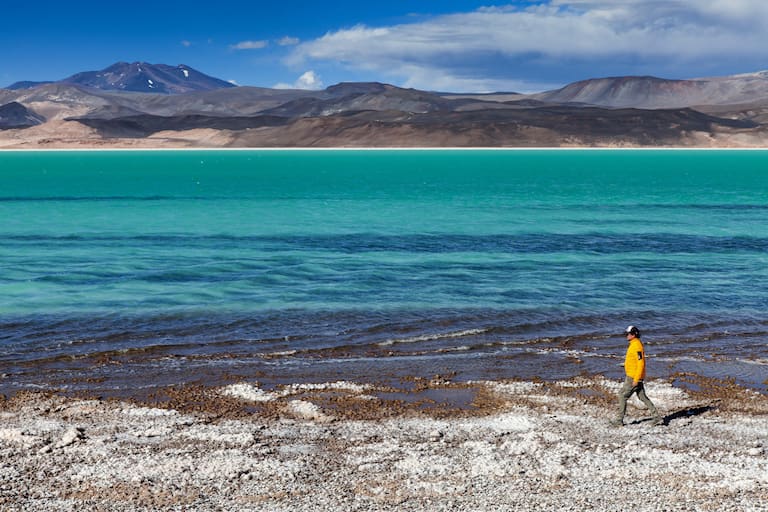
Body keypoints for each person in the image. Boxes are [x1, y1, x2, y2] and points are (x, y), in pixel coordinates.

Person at [610, 325, 662, 427]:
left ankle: (619, 420)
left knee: (622, 395)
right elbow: (634, 360)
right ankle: (656, 417)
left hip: (633, 376)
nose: (626, 335)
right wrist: (626, 365)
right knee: (642, 396)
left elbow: (641, 363)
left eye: (627, 334)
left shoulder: (637, 346)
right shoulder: (634, 344)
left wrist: (636, 379)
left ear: (633, 334)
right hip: (634, 374)